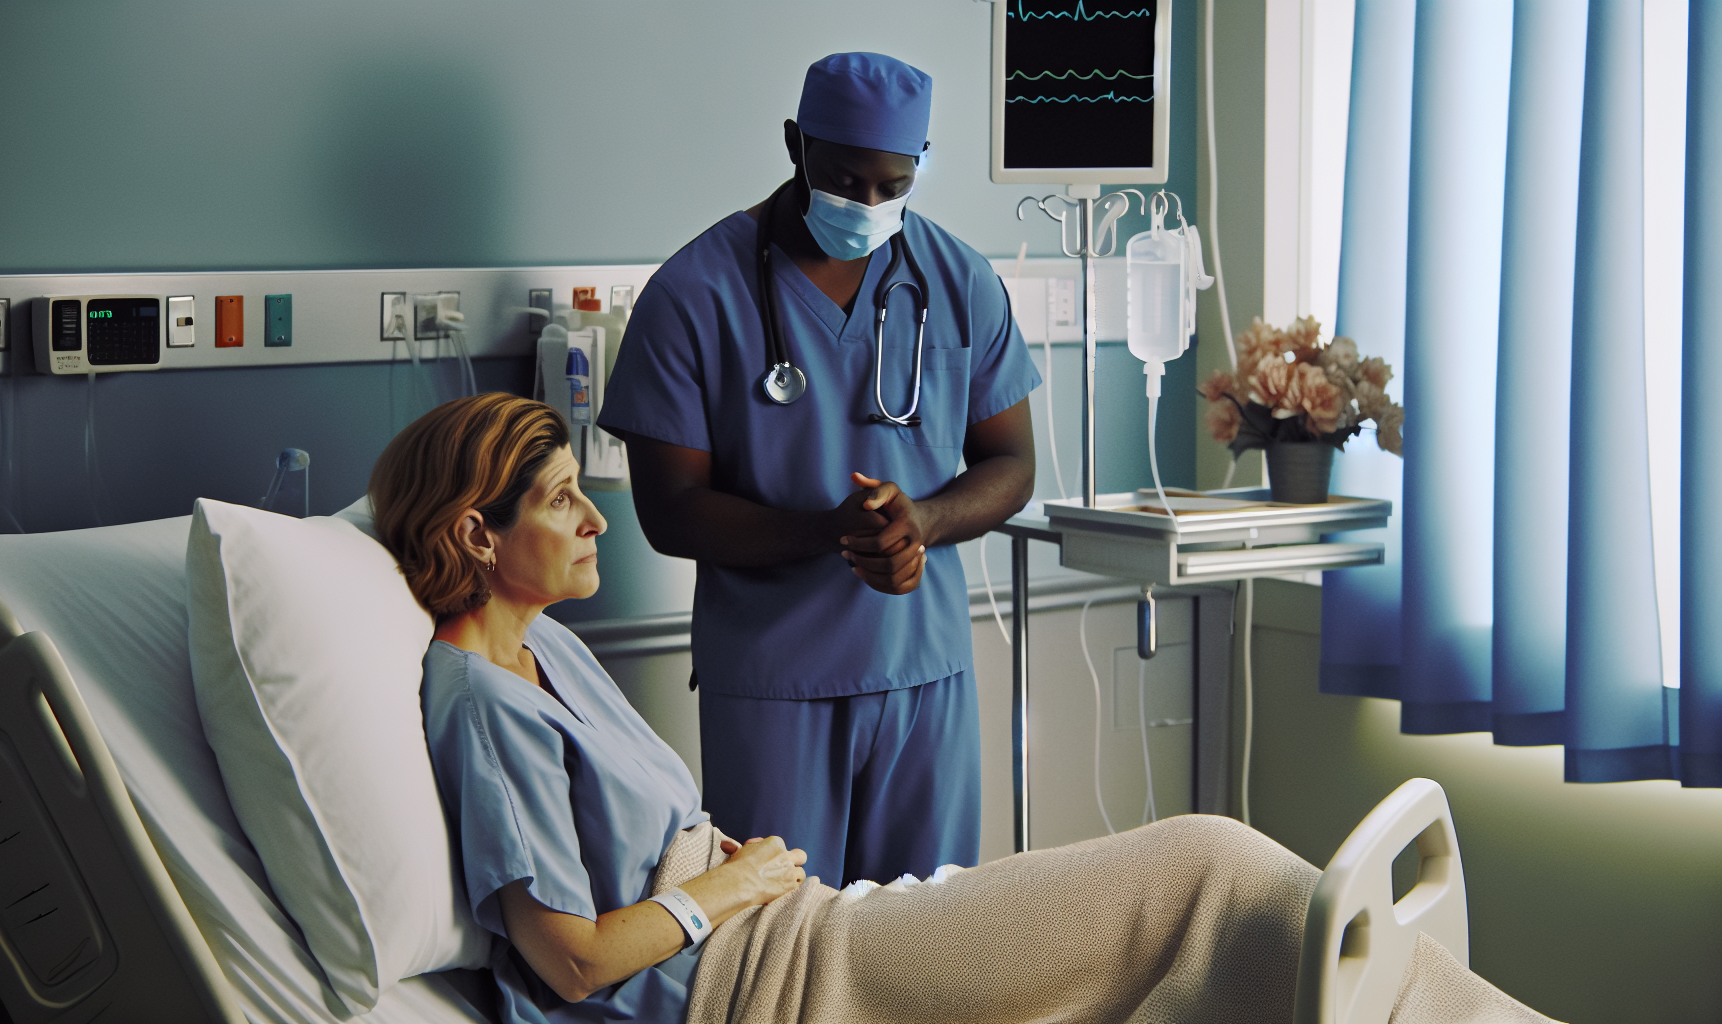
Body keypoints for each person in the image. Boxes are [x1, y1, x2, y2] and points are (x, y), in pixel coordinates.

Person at [373, 395, 1554, 1024]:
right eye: (566, 500)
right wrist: (718, 889)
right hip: (768, 984)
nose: (596, 521)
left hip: (790, 928)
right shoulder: (482, 707)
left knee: (1206, 909)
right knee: (1204, 870)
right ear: (478, 533)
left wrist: (716, 864)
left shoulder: (554, 655)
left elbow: (627, 843)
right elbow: (571, 963)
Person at [595, 52, 1039, 890]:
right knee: (781, 947)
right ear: (796, 144)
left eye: (893, 184)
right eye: (844, 178)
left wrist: (926, 522)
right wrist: (829, 531)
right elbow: (671, 511)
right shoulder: (694, 294)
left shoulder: (959, 279)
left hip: (924, 673)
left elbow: (1012, 463)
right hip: (774, 683)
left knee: (927, 947)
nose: (868, 204)